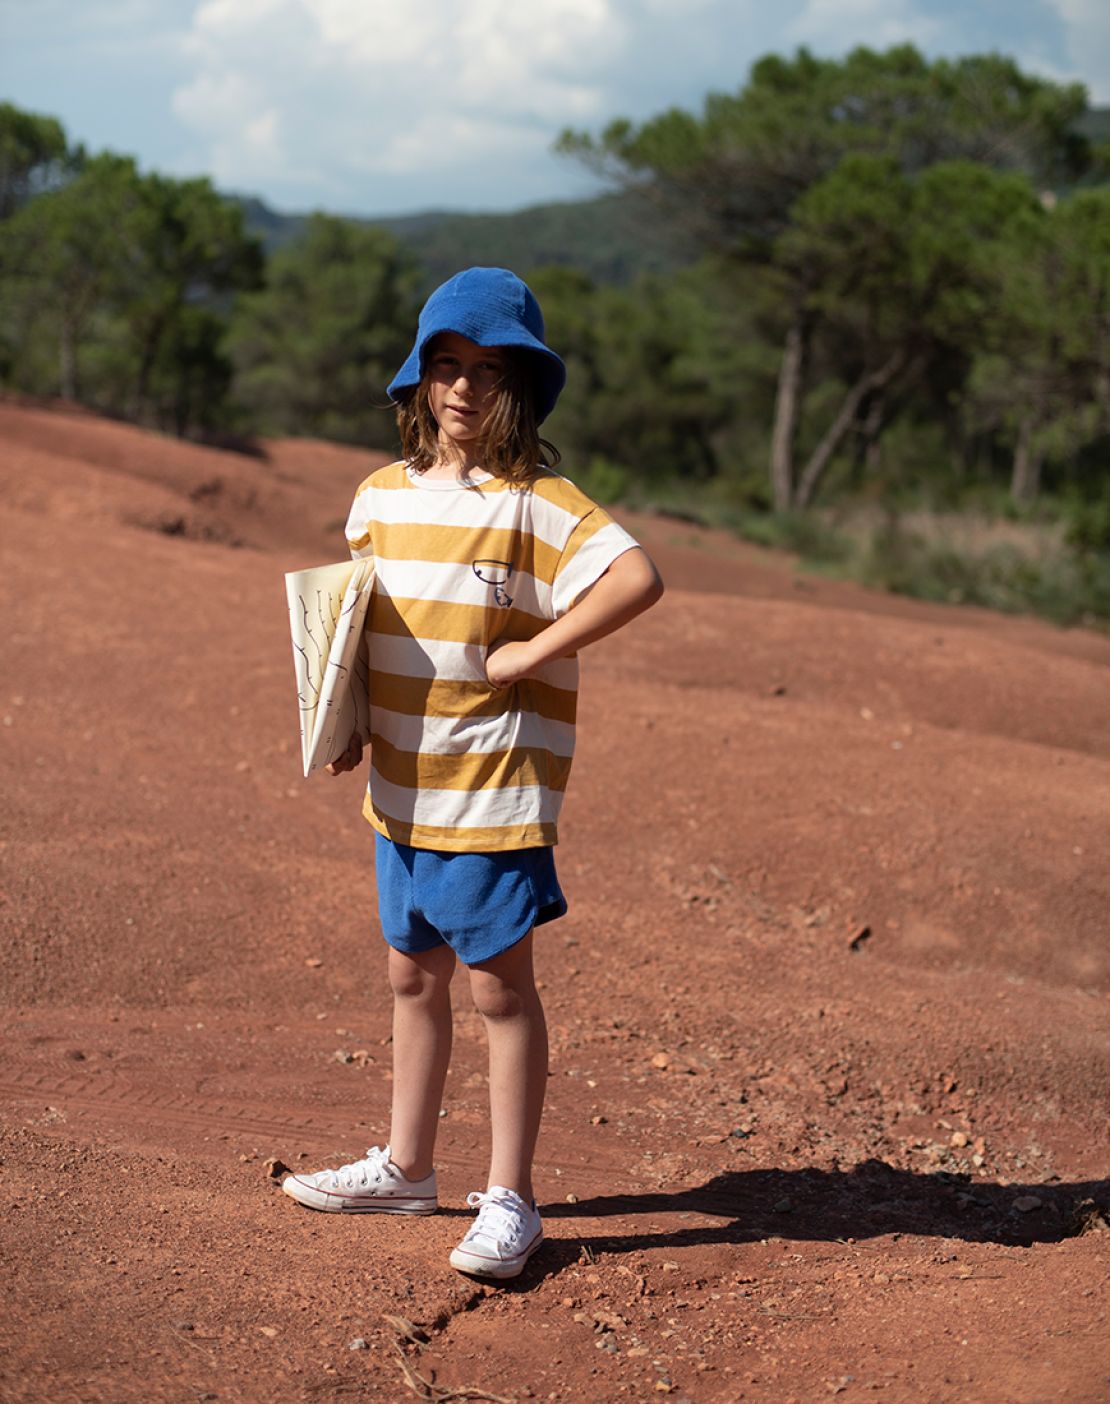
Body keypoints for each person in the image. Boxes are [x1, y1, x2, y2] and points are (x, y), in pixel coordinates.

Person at [282, 266, 663, 1279]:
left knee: (498, 992)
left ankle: (512, 1198)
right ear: (419, 378)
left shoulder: (539, 504)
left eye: (488, 371)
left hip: (492, 786)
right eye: (445, 366)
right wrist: (348, 716)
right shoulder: (378, 500)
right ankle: (408, 1166)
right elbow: (359, 626)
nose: (462, 388)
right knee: (412, 975)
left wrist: (534, 653)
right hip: (400, 787)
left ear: (520, 387)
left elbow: (637, 577)